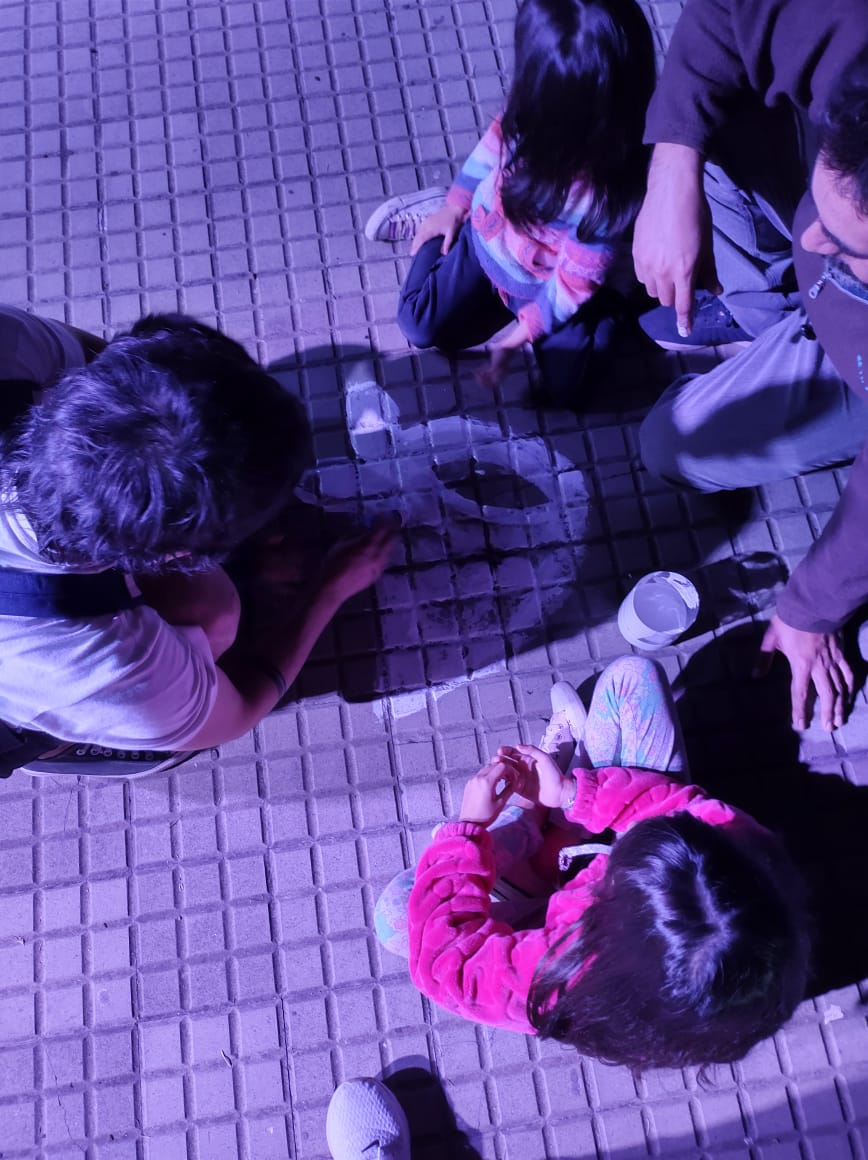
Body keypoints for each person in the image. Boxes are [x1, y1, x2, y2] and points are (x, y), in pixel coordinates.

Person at [0, 305, 394, 775]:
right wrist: (329, 589)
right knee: (214, 615)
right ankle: (51, 742)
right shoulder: (98, 669)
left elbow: (95, 356)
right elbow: (241, 711)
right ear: (175, 555)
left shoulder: (10, 346)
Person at [374, 657, 809, 1071]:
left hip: (544, 925)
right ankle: (555, 821)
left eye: (611, 878)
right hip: (602, 897)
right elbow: (680, 807)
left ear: (606, 923)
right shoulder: (743, 855)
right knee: (631, 677)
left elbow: (448, 969)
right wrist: (571, 793)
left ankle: (524, 824)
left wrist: (469, 829)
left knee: (395, 920)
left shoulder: (568, 978)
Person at [631, 0, 868, 732]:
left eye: (850, 249)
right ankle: (778, 312)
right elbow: (723, 13)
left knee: (671, 445)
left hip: (852, 359)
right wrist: (672, 166)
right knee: (713, 114)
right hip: (830, 315)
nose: (814, 240)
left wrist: (810, 606)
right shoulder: (848, 28)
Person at [363, 0, 656, 404]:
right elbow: (492, 147)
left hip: (549, 280)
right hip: (488, 242)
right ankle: (439, 213)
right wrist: (455, 205)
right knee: (419, 325)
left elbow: (571, 285)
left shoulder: (603, 195)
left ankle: (614, 296)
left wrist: (518, 336)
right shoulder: (533, 111)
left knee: (572, 387)